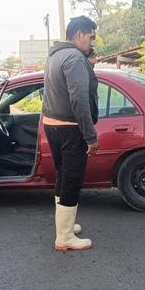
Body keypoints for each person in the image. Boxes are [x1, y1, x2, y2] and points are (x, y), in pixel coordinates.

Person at [42, 15, 99, 251]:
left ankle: (64, 226)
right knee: (72, 179)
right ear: (79, 35)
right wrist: (90, 136)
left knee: (63, 175)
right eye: (91, 37)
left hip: (52, 125)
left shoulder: (54, 55)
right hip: (70, 129)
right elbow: (79, 100)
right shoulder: (74, 57)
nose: (92, 43)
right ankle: (64, 237)